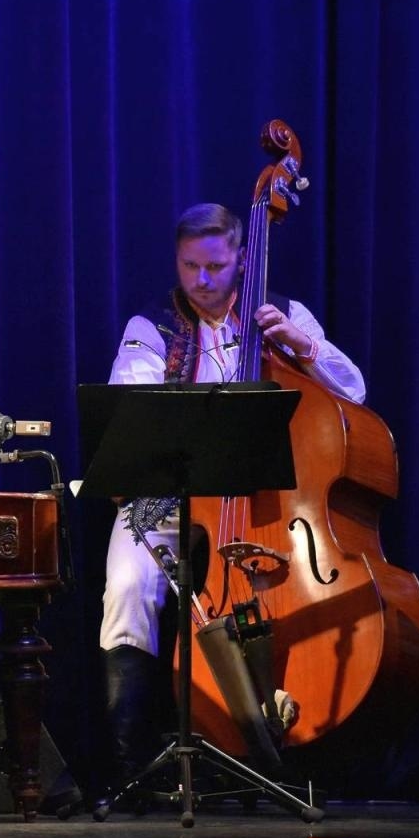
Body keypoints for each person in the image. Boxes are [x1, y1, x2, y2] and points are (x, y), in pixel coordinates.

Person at [100, 202, 366, 785]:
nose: (201, 280)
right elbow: (131, 417)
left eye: (215, 266)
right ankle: (129, 767)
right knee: (126, 588)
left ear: (241, 257)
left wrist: (304, 347)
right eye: (190, 265)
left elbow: (354, 391)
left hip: (265, 500)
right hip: (171, 494)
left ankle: (286, 743)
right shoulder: (150, 327)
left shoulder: (284, 315)